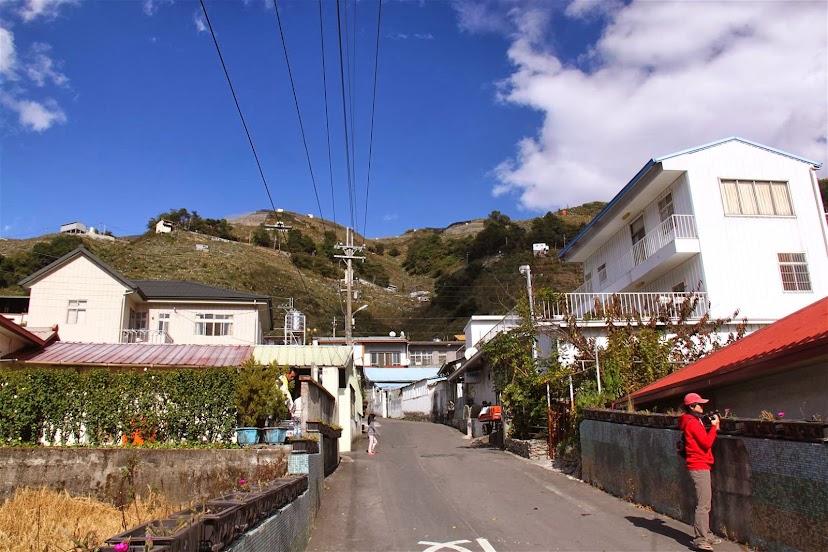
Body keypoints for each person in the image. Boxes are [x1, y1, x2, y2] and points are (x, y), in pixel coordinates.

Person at [679, 392, 722, 551]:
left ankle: (707, 534)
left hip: (700, 464)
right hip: (699, 465)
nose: (702, 406)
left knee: (706, 502)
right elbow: (706, 443)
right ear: (692, 406)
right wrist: (715, 428)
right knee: (703, 504)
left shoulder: (693, 421)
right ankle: (700, 539)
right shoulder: (692, 423)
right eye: (699, 404)